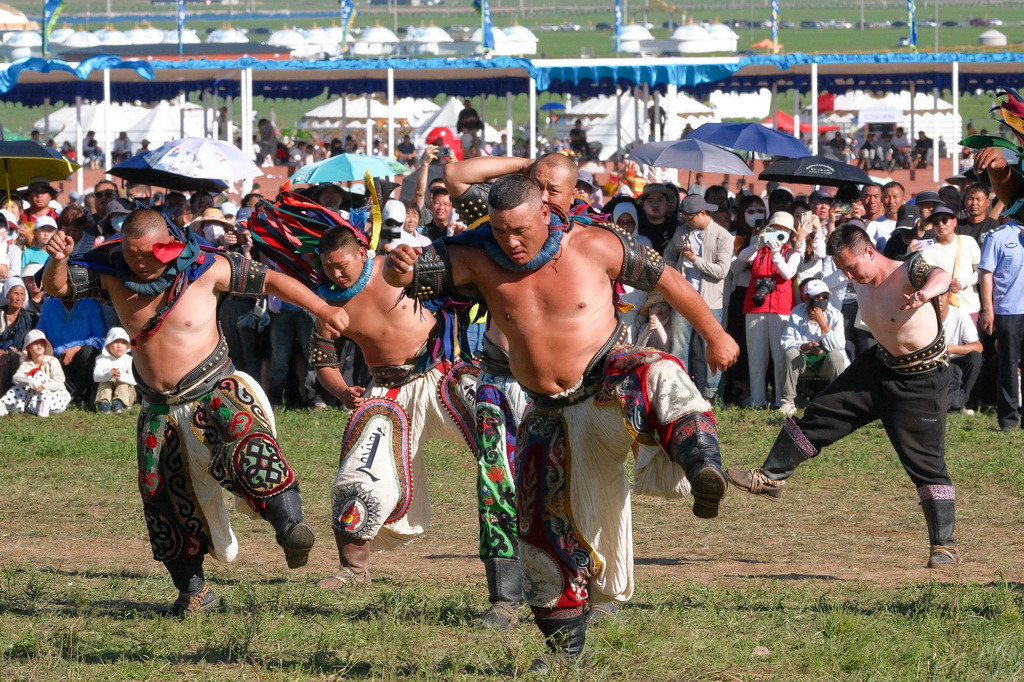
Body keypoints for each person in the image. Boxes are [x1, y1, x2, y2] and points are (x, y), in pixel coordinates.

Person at [385, 174, 738, 670]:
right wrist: (399, 272)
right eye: (502, 230)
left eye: (521, 230)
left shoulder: (595, 244)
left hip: (607, 385)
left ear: (545, 214)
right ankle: (567, 655)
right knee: (538, 537)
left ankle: (705, 467)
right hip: (545, 413)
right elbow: (407, 275)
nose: (511, 242)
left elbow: (670, 282)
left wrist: (716, 335)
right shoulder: (478, 255)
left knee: (660, 371)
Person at [41, 208, 349, 615]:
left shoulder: (208, 268)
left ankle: (291, 528)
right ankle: (194, 591)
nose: (139, 262)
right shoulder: (110, 271)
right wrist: (58, 259)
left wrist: (323, 310)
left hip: (214, 389)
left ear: (167, 245)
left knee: (250, 449)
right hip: (158, 406)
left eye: (147, 254)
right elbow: (57, 287)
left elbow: (272, 280)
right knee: (161, 497)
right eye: (131, 253)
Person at [728, 224, 959, 569]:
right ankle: (771, 477)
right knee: (822, 411)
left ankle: (945, 546)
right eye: (843, 270)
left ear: (869, 251)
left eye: (852, 266)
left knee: (926, 463)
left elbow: (939, 275)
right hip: (879, 366)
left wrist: (926, 294)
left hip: (920, 380)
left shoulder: (908, 269)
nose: (849, 274)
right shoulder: (857, 278)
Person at [291, 224, 477, 591]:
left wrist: (411, 264)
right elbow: (324, 361)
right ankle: (354, 569)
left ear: (362, 251)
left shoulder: (396, 266)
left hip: (443, 374)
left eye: (342, 264)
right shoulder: (329, 304)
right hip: (388, 392)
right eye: (328, 267)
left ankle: (542, 541)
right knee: (355, 475)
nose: (336, 273)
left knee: (504, 438)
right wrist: (344, 390)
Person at [734, 211, 805, 408]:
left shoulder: (792, 253)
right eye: (776, 228)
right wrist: (758, 243)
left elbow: (788, 273)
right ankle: (757, 399)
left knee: (780, 357)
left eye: (783, 230)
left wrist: (776, 255)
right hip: (756, 307)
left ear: (790, 233)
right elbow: (742, 257)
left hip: (780, 309)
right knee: (756, 357)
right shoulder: (759, 249)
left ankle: (781, 399)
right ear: (769, 228)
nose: (779, 233)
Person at [665, 194, 733, 401]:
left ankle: (709, 395)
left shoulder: (723, 236)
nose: (686, 221)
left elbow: (721, 271)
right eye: (684, 217)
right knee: (679, 346)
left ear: (702, 213)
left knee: (710, 348)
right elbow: (667, 254)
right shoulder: (681, 232)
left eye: (689, 217)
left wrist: (696, 260)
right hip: (682, 299)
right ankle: (681, 391)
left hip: (710, 301)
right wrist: (672, 275)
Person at [777, 278, 847, 416]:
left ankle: (840, 402)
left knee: (836, 356)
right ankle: (788, 402)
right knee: (791, 353)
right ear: (807, 298)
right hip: (804, 363)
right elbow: (786, 340)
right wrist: (804, 346)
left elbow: (839, 345)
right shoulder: (798, 312)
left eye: (824, 297)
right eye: (816, 297)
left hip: (825, 364)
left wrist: (824, 325)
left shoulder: (836, 315)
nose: (821, 300)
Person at [0, 329, 71, 417]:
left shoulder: (52, 361)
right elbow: (16, 378)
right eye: (35, 343)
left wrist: (42, 385)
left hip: (54, 396)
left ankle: (44, 406)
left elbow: (59, 382)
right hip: (32, 396)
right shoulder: (26, 364)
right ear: (28, 347)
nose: (39, 345)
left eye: (42, 343)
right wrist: (31, 382)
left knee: (39, 375)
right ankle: (5, 404)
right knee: (18, 386)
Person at [939, 290, 983, 414]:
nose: (939, 299)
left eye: (942, 295)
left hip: (958, 359)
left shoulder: (960, 315)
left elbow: (978, 346)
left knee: (976, 358)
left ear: (949, 296)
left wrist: (952, 349)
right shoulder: (924, 317)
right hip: (935, 361)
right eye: (935, 296)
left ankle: (962, 401)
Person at [92, 326, 137, 414]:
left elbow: (135, 380)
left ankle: (119, 403)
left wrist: (121, 376)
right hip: (107, 390)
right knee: (106, 381)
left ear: (127, 345)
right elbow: (96, 376)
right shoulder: (101, 359)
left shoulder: (129, 359)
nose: (119, 346)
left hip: (126, 395)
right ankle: (104, 403)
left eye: (123, 343)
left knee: (123, 383)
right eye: (116, 342)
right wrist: (109, 375)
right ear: (108, 344)